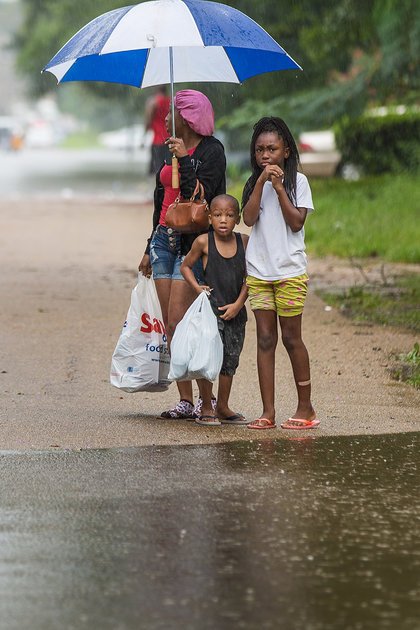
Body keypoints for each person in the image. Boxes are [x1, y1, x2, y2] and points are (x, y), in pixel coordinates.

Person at [138, 89, 226, 419]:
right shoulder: (168, 149)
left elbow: (199, 196)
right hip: (164, 241)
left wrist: (185, 159)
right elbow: (161, 201)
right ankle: (185, 401)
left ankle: (207, 400)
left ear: (187, 117)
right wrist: (149, 246)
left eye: (171, 112)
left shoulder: (212, 151)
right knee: (170, 327)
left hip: (193, 245)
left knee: (187, 322)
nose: (165, 117)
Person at [242, 117, 319, 430]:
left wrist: (278, 187)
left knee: (290, 337)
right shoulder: (253, 183)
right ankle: (268, 412)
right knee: (264, 339)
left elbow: (296, 222)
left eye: (271, 149)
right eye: (260, 149)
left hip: (289, 271)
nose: (265, 155)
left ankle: (306, 408)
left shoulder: (298, 182)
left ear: (286, 151)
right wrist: (262, 183)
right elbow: (248, 219)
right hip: (259, 271)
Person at [181, 194, 248, 426]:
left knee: (230, 359)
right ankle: (207, 406)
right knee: (207, 357)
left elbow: (252, 276)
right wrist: (197, 288)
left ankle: (223, 406)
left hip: (235, 312)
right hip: (210, 311)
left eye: (229, 215)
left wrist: (239, 303)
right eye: (218, 215)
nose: (223, 220)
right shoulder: (203, 242)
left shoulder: (245, 242)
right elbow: (185, 266)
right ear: (209, 217)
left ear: (237, 218)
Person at [144, 86, 171, 174]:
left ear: (156, 90)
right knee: (167, 169)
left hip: (157, 141)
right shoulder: (171, 102)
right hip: (169, 141)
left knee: (156, 170)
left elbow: (148, 120)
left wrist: (144, 135)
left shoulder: (153, 102)